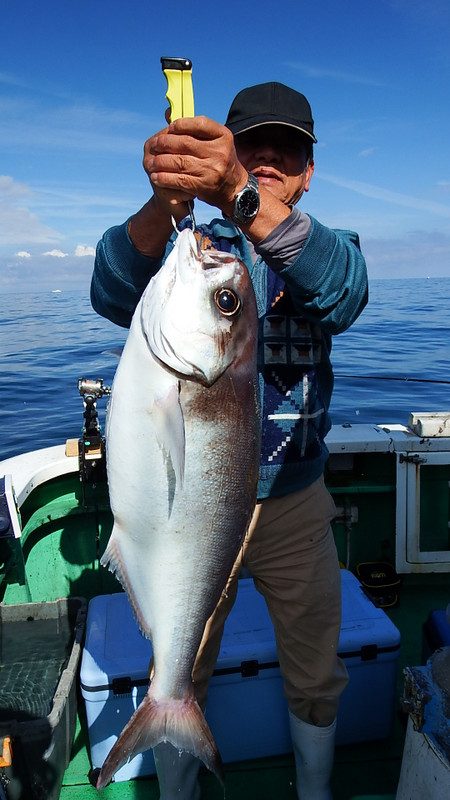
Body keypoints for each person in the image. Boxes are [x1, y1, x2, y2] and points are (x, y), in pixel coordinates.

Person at [91, 81, 368, 800]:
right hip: (190, 503)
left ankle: (315, 790)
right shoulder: (190, 252)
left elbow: (342, 289)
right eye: (252, 147)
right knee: (185, 660)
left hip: (296, 503)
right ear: (229, 154)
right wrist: (168, 201)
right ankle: (176, 757)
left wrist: (240, 191)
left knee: (316, 667)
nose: (270, 159)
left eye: (289, 151)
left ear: (309, 172)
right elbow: (110, 290)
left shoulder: (326, 250)